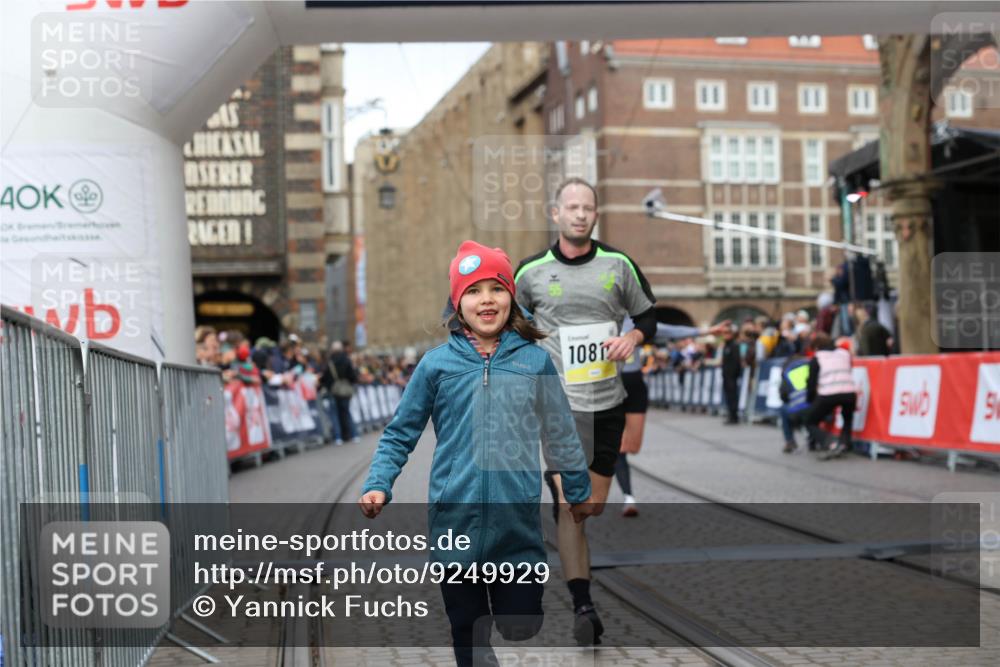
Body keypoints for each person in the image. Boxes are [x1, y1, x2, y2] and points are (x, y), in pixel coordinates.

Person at [358, 241, 594, 667]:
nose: (486, 299)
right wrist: (379, 483)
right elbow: (400, 433)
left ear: (511, 298)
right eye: (473, 290)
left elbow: (560, 433)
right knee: (468, 632)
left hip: (516, 528)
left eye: (496, 288)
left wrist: (577, 490)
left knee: (521, 623)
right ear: (457, 302)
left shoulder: (534, 363)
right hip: (455, 519)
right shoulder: (436, 366)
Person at [514, 177, 657, 645]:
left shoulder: (618, 264)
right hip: (557, 405)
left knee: (591, 506)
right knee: (570, 508)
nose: (579, 214)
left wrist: (632, 338)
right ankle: (583, 604)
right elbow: (510, 321)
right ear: (555, 214)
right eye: (571, 207)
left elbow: (648, 315)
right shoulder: (531, 271)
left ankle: (568, 505)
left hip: (607, 402)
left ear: (596, 215)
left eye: (587, 208)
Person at [804, 332, 858, 460]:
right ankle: (845, 443)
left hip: (829, 393)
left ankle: (830, 442)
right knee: (847, 418)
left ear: (816, 347)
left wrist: (810, 400)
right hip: (849, 392)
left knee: (809, 420)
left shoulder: (818, 358)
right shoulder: (844, 353)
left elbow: (811, 383)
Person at [320, 341, 360, 444]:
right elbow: (353, 376)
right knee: (346, 412)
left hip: (334, 391)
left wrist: (327, 386)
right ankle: (354, 434)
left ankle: (338, 437)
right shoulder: (347, 360)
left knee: (335, 414)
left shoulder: (330, 362)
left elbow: (325, 378)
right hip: (346, 390)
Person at [778, 351, 812, 453]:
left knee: (783, 409)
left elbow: (783, 395)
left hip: (798, 409)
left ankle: (790, 441)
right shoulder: (810, 365)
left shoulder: (787, 371)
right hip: (816, 404)